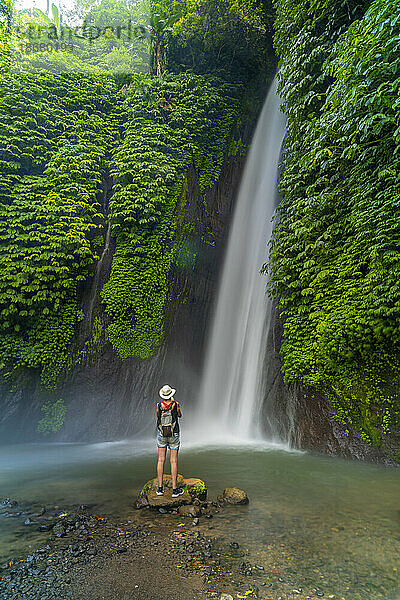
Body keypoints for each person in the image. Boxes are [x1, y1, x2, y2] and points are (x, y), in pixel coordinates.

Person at [156, 384, 184, 498]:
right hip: (174, 433)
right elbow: (180, 415)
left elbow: (158, 417)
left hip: (162, 433)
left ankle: (160, 488)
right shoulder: (175, 404)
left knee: (161, 460)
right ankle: (174, 490)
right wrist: (173, 403)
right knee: (173, 461)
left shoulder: (159, 405)